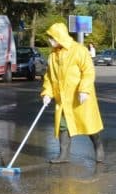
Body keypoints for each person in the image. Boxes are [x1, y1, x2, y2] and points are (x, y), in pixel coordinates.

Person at [41, 23, 105, 163]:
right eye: (49, 38)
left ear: (59, 36)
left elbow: (88, 71)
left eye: (52, 38)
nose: (50, 41)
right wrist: (47, 93)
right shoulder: (53, 55)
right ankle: (63, 155)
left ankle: (98, 147)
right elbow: (49, 77)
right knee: (63, 125)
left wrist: (84, 90)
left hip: (80, 96)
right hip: (63, 99)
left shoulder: (79, 50)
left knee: (89, 124)